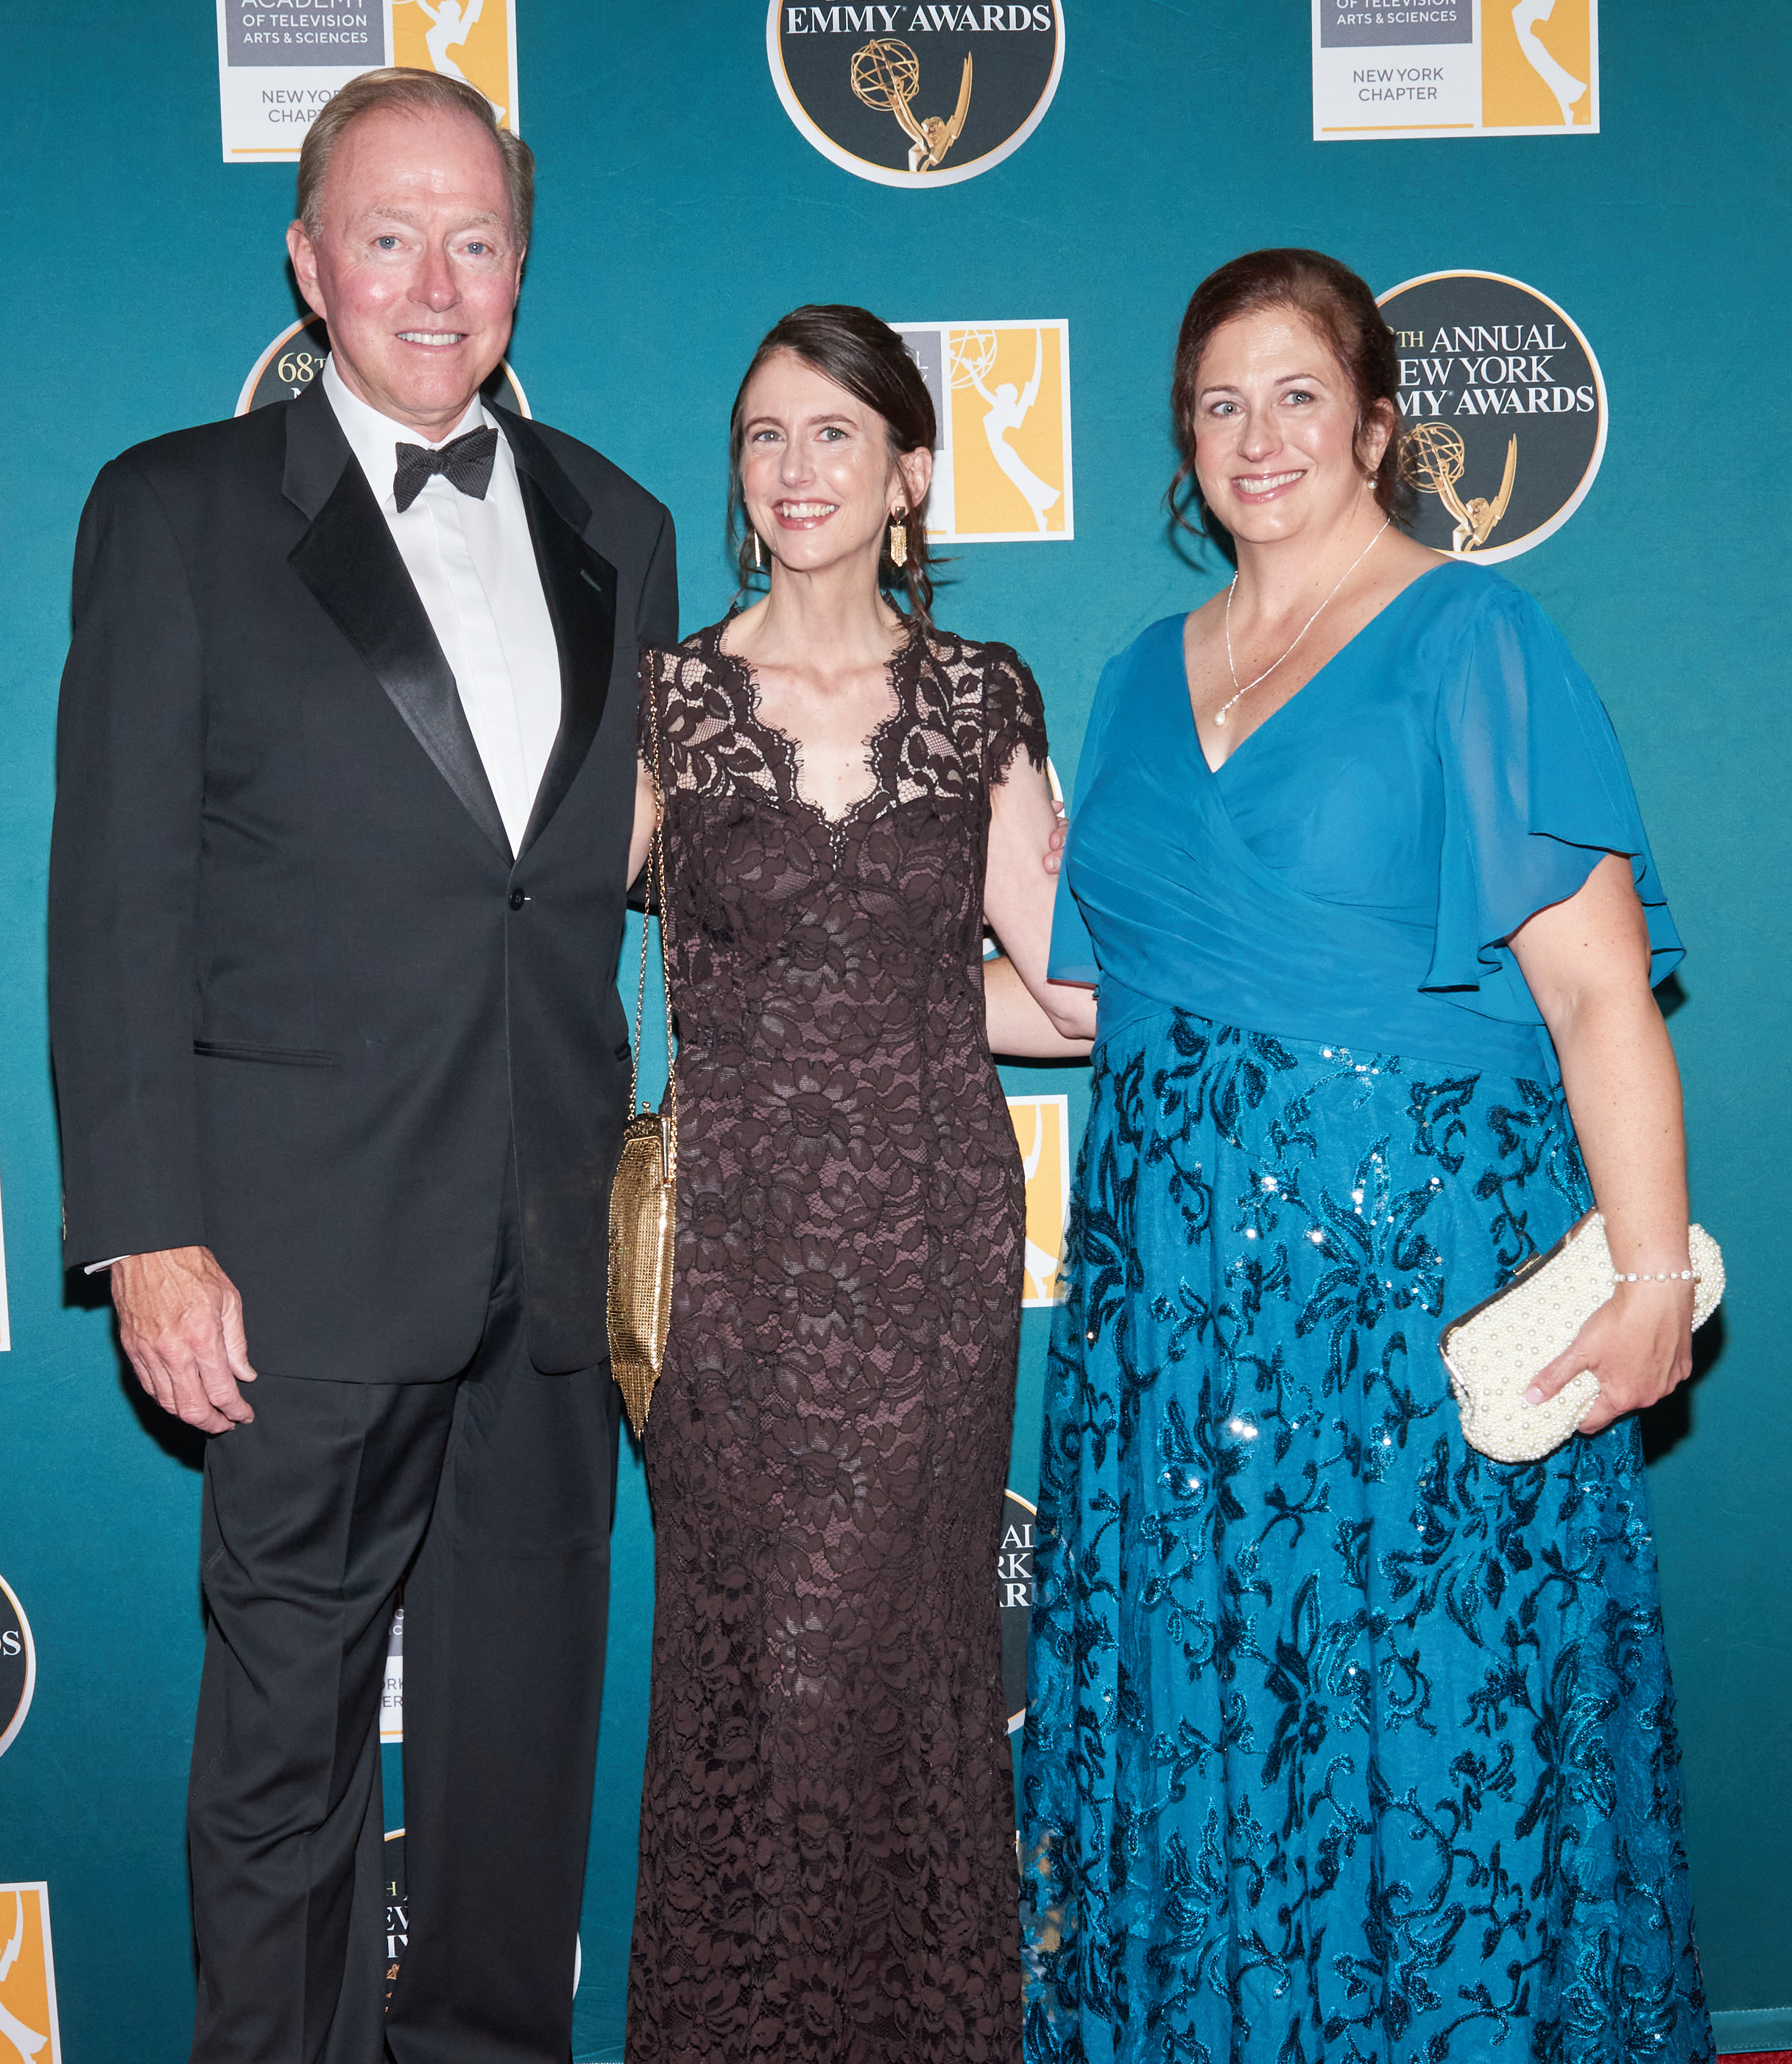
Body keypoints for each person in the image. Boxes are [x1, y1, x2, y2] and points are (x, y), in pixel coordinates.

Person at [46, 68, 676, 2064]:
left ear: (521, 268)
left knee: (519, 1743)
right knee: (285, 1757)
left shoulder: (621, 523)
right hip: (296, 1257)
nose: (434, 281)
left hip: (551, 1244)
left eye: (475, 240)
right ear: (309, 264)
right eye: (389, 236)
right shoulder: (175, 511)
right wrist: (148, 1231)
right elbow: (116, 898)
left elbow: (628, 869)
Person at [1020, 249, 1712, 2062]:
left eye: (1298, 395)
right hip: (1170, 1329)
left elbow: (1600, 993)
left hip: (1410, 1300)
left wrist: (1652, 1276)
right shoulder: (1134, 676)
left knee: (1432, 1713)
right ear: (1184, 437)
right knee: (1210, 1714)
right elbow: (1098, 1000)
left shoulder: (1472, 637)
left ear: (1377, 424)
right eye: (1220, 403)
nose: (1257, 437)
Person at [625, 304, 1076, 2064]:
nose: (795, 467)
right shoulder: (670, 697)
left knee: (904, 1665)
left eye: (835, 433)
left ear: (908, 475)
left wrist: (895, 999)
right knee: (751, 1668)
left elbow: (1068, 995)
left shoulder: (978, 695)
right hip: (729, 1264)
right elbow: (535, 942)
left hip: (924, 1250)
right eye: (764, 434)